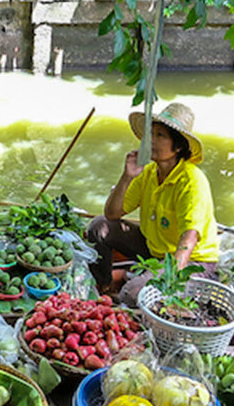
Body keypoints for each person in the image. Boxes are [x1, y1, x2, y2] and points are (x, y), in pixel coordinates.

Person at [86, 102, 224, 301]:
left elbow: (188, 240)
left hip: (192, 260)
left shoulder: (192, 182)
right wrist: (127, 176)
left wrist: (165, 281)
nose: (150, 140)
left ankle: (136, 288)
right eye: (151, 134)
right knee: (99, 226)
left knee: (133, 294)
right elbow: (112, 214)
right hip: (155, 248)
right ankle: (106, 286)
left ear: (177, 146)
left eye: (160, 136)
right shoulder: (149, 172)